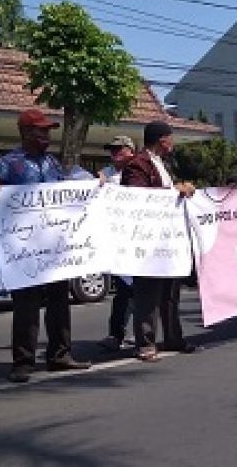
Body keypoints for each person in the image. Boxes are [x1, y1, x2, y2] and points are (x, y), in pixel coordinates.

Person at [0, 109, 91, 383]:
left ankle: (60, 355)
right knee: (27, 308)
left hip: (55, 249)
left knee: (59, 303)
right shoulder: (9, 163)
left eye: (48, 131)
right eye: (40, 131)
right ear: (25, 133)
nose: (46, 136)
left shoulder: (52, 163)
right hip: (24, 251)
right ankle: (23, 362)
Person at [122, 120, 198, 361]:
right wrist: (175, 192)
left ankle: (173, 337)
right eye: (170, 138)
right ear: (162, 139)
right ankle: (145, 342)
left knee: (170, 292)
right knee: (147, 292)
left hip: (168, 239)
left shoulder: (163, 164)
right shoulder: (137, 165)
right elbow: (138, 197)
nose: (172, 143)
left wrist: (181, 190)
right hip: (147, 240)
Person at [97, 136, 138, 352]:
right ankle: (116, 334)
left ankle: (142, 334)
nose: (113, 154)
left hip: (142, 241)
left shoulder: (141, 171)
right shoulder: (108, 174)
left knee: (144, 293)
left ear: (130, 151)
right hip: (119, 243)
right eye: (111, 151)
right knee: (123, 292)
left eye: (118, 150)